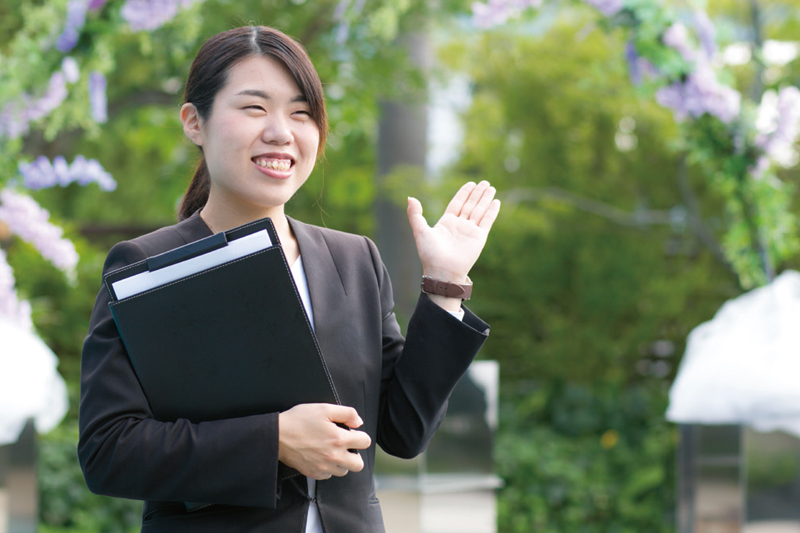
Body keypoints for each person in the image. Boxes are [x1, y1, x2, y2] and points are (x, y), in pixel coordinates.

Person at [78, 25, 500, 532]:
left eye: (301, 113)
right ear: (194, 121)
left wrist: (445, 283)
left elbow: (403, 431)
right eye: (254, 108)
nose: (281, 131)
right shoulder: (147, 267)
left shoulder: (354, 260)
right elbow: (109, 450)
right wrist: (273, 439)